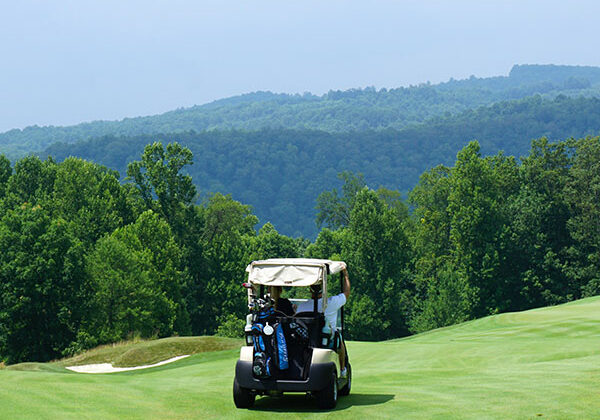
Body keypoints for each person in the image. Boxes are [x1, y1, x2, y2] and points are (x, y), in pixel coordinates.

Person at [294, 265, 350, 377]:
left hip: (306, 338)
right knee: (339, 339)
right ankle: (343, 369)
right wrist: (345, 275)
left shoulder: (302, 306)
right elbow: (346, 293)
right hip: (326, 338)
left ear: (310, 290)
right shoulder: (331, 302)